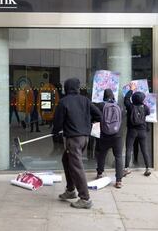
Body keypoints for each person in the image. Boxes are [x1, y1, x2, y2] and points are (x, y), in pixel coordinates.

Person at [52, 78, 101, 209]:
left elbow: (57, 122)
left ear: (66, 88)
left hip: (73, 140)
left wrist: (55, 132)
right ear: (77, 88)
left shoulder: (63, 102)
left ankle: (85, 198)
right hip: (84, 138)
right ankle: (70, 190)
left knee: (76, 167)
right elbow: (99, 115)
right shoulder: (85, 100)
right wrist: (86, 124)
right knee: (66, 160)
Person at [95, 89, 124, 188]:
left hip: (104, 135)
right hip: (117, 135)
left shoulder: (100, 105)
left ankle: (100, 173)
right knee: (118, 157)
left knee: (102, 154)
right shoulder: (119, 106)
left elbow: (95, 115)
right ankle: (118, 181)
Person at [123, 82, 151, 177]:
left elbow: (126, 99)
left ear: (133, 99)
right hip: (142, 131)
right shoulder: (146, 108)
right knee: (144, 150)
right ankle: (147, 168)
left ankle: (126, 168)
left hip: (132, 131)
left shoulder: (130, 107)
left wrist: (131, 89)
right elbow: (148, 112)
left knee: (129, 149)